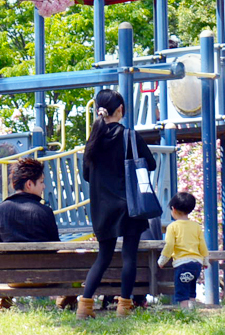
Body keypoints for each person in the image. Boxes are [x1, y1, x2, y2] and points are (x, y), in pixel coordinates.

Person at [77, 89, 156, 319]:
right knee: (129, 256)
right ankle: (124, 307)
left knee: (103, 257)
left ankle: (85, 306)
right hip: (131, 205)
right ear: (120, 110)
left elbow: (87, 175)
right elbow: (149, 164)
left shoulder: (93, 140)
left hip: (103, 207)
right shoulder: (129, 135)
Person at [0, 157, 61, 311]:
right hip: (44, 278)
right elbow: (56, 247)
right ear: (29, 184)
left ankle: (3, 300)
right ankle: (66, 300)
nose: (44, 186)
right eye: (41, 182)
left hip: (12, 278)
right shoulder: (45, 212)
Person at [158, 192, 209, 309]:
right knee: (191, 289)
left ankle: (185, 313)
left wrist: (162, 260)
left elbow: (169, 245)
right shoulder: (196, 226)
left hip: (182, 264)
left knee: (182, 292)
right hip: (196, 263)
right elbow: (202, 245)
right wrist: (205, 261)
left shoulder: (173, 227)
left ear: (173, 209)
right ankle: (192, 310)